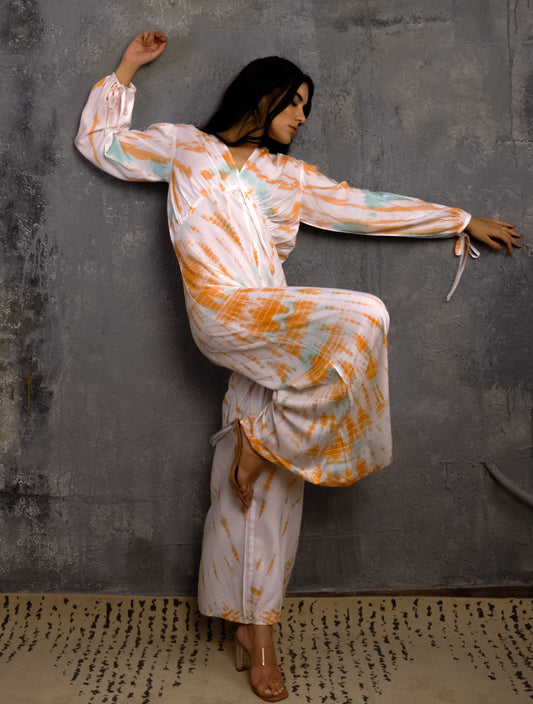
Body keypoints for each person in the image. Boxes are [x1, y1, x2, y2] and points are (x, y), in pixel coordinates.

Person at [75, 30, 522, 702]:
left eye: (307, 107)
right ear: (264, 95)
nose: (302, 117)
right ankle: (264, 444)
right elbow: (101, 143)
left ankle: (255, 634)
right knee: (363, 317)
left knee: (264, 493)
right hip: (222, 310)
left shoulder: (291, 178)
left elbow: (366, 208)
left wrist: (458, 219)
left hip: (276, 328)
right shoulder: (187, 149)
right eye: (295, 102)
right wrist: (128, 66)